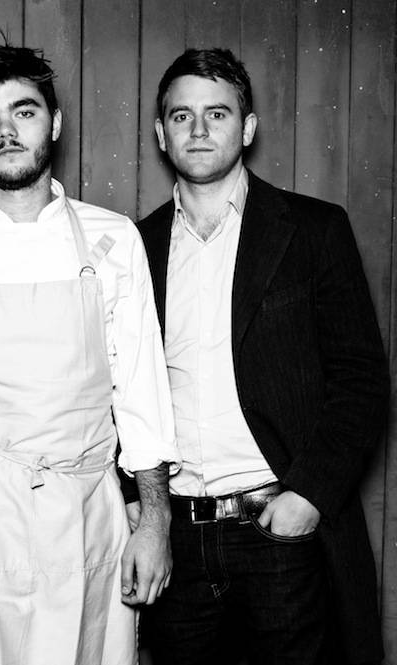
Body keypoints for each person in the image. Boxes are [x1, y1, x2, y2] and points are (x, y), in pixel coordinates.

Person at [0, 45, 181, 664]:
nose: (6, 131)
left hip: (86, 517)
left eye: (23, 111)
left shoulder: (113, 239)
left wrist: (155, 522)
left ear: (55, 123)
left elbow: (141, 393)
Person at [137, 48, 387, 665]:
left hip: (279, 533)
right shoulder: (134, 247)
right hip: (177, 541)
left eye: (217, 114)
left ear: (247, 128)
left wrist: (308, 497)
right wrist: (141, 509)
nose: (199, 129)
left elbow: (361, 380)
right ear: (161, 134)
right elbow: (118, 389)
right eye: (182, 116)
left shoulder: (313, 230)